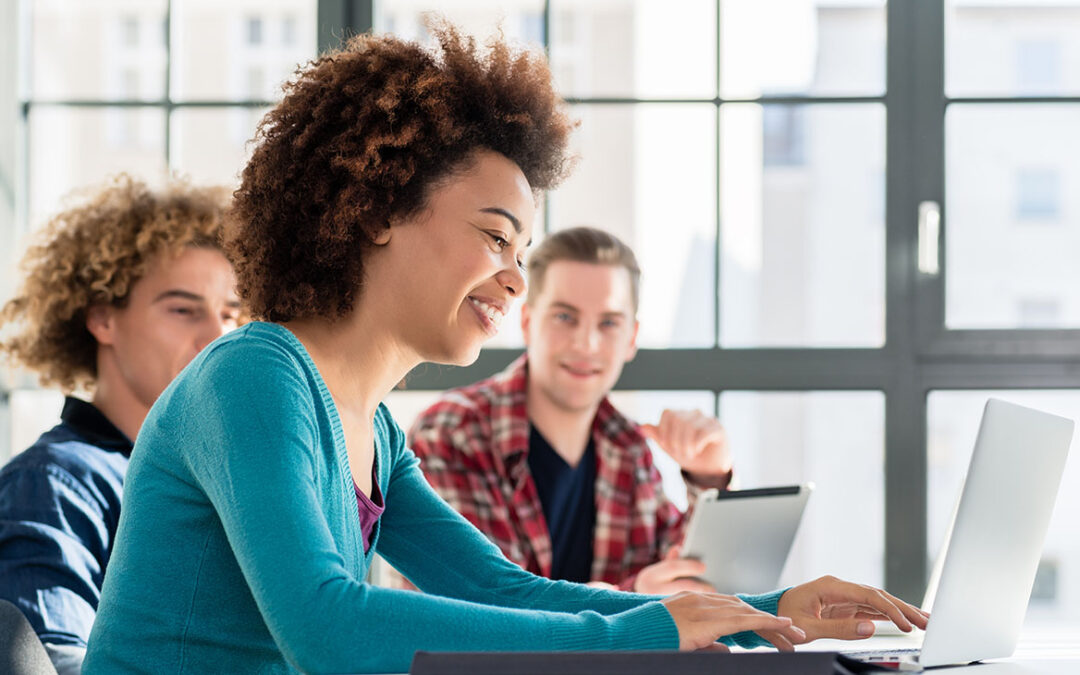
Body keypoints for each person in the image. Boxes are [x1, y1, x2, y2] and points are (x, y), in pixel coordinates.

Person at [83, 25, 926, 675]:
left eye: (522, 252)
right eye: (495, 237)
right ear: (378, 211)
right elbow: (328, 627)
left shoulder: (375, 433)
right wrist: (646, 630)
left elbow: (500, 588)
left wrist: (764, 610)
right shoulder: (251, 376)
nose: (515, 280)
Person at [407, 226, 735, 594]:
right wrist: (636, 599)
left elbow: (686, 573)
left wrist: (710, 477)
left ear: (631, 338)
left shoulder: (628, 446)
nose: (586, 344)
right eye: (565, 317)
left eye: (608, 323)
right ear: (528, 324)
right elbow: (482, 605)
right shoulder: (452, 432)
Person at [0, 175, 241, 675]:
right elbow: (54, 662)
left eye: (230, 314)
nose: (218, 337)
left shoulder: (219, 479)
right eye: (183, 310)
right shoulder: (53, 483)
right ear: (103, 319)